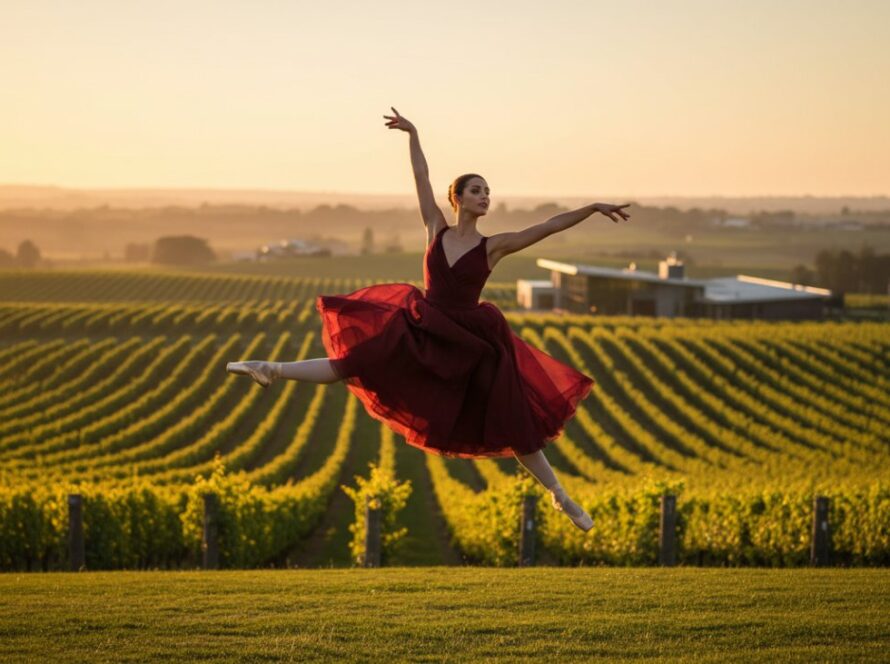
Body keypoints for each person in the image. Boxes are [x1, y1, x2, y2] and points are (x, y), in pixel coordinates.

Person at [228, 107, 631, 532]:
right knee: (355, 363)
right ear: (457, 198)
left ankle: (560, 496)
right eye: (477, 190)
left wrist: (591, 207)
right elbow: (421, 178)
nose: (485, 196)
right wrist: (413, 134)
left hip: (473, 341)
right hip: (424, 326)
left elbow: (548, 226)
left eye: (488, 192)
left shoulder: (493, 247)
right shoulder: (435, 228)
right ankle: (268, 368)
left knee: (513, 421)